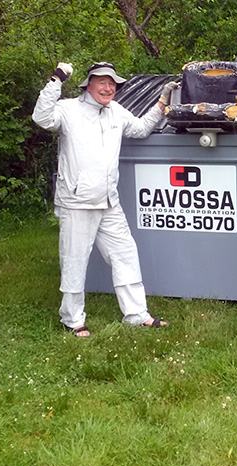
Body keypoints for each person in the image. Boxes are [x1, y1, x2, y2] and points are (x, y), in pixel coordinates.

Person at [33, 61, 179, 337]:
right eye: (102, 81)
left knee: (125, 255)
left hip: (109, 202)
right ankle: (72, 319)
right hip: (76, 202)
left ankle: (137, 315)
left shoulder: (116, 111)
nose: (108, 87)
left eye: (112, 83)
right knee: (74, 261)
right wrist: (57, 79)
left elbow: (139, 129)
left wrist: (162, 103)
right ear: (88, 84)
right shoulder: (68, 109)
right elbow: (41, 117)